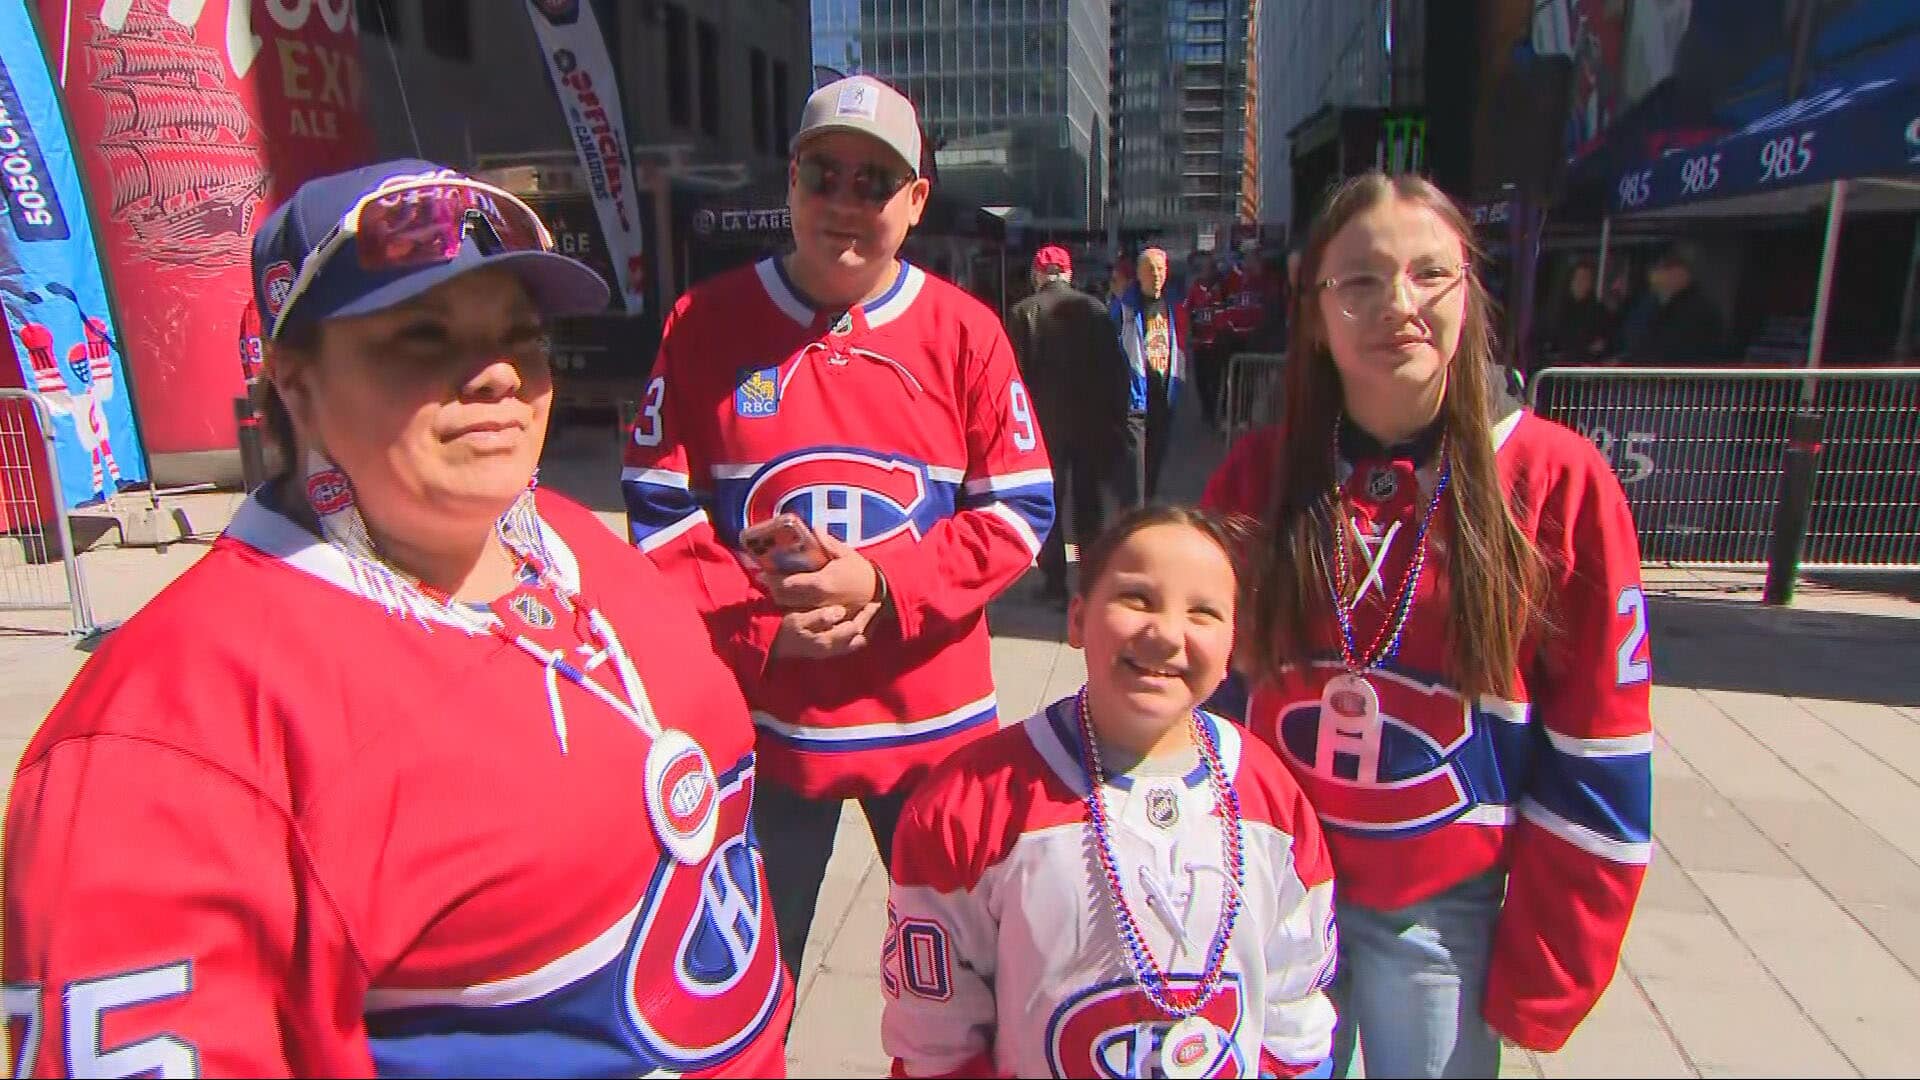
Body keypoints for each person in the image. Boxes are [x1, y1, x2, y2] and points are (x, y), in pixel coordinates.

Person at [2, 160, 791, 1076]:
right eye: (424, 336)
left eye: (522, 336)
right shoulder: (163, 746)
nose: (499, 373)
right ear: (293, 382)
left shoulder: (585, 548)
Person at [1202, 171, 1652, 1077]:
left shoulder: (1557, 482)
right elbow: (1194, 702)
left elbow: (1601, 743)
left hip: (1443, 908)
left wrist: (1551, 966)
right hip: (1268, 894)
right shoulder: (1258, 476)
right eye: (1359, 281)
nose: (1397, 305)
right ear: (1316, 310)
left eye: (1428, 274)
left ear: (1468, 293)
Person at [621, 75, 1055, 986]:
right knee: (743, 990)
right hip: (770, 728)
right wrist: (759, 623)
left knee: (966, 988)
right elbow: (658, 511)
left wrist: (885, 583)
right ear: (791, 182)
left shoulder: (965, 333)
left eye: (875, 182)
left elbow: (1021, 509)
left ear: (915, 199)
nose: (846, 203)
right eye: (826, 175)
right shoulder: (704, 323)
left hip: (932, 732)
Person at [882, 506, 1338, 1079]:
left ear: (1231, 652)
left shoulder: (1270, 798)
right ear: (1077, 620)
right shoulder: (970, 804)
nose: (1167, 633)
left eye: (1203, 612)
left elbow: (1295, 1007)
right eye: (1138, 599)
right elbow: (935, 1040)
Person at [1007, 244, 1131, 601]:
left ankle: (1055, 583)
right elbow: (1115, 371)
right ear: (1069, 273)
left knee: (1050, 502)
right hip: (1090, 424)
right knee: (1088, 501)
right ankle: (1090, 577)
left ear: (1038, 275)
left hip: (1044, 426)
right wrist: (1115, 420)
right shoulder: (1095, 310)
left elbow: (1015, 379)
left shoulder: (1023, 312)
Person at [1111, 246, 1187, 504]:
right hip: (1134, 401)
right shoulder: (1124, 308)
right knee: (1135, 472)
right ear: (1139, 275)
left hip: (1164, 397)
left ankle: (1147, 513)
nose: (1156, 275)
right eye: (1150, 269)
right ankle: (1133, 522)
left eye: (1160, 269)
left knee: (1154, 466)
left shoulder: (1175, 306)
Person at [1623, 245, 1726, 364]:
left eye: (1665, 270)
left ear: (1681, 273)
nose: (1657, 277)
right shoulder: (1649, 303)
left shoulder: (1700, 309)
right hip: (1647, 371)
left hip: (1680, 374)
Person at [1536, 260, 1612, 368]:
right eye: (1579, 278)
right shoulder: (1555, 309)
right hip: (1557, 368)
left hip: (1584, 369)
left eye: (1586, 279)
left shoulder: (1598, 311)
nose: (1582, 283)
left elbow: (1603, 342)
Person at [1184, 251, 1227, 429]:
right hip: (1200, 343)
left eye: (1210, 269)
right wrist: (1189, 334)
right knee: (1201, 380)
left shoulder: (1222, 288)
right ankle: (1207, 410)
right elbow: (1187, 312)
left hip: (1217, 342)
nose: (1206, 273)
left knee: (1216, 379)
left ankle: (1216, 412)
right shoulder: (1194, 289)